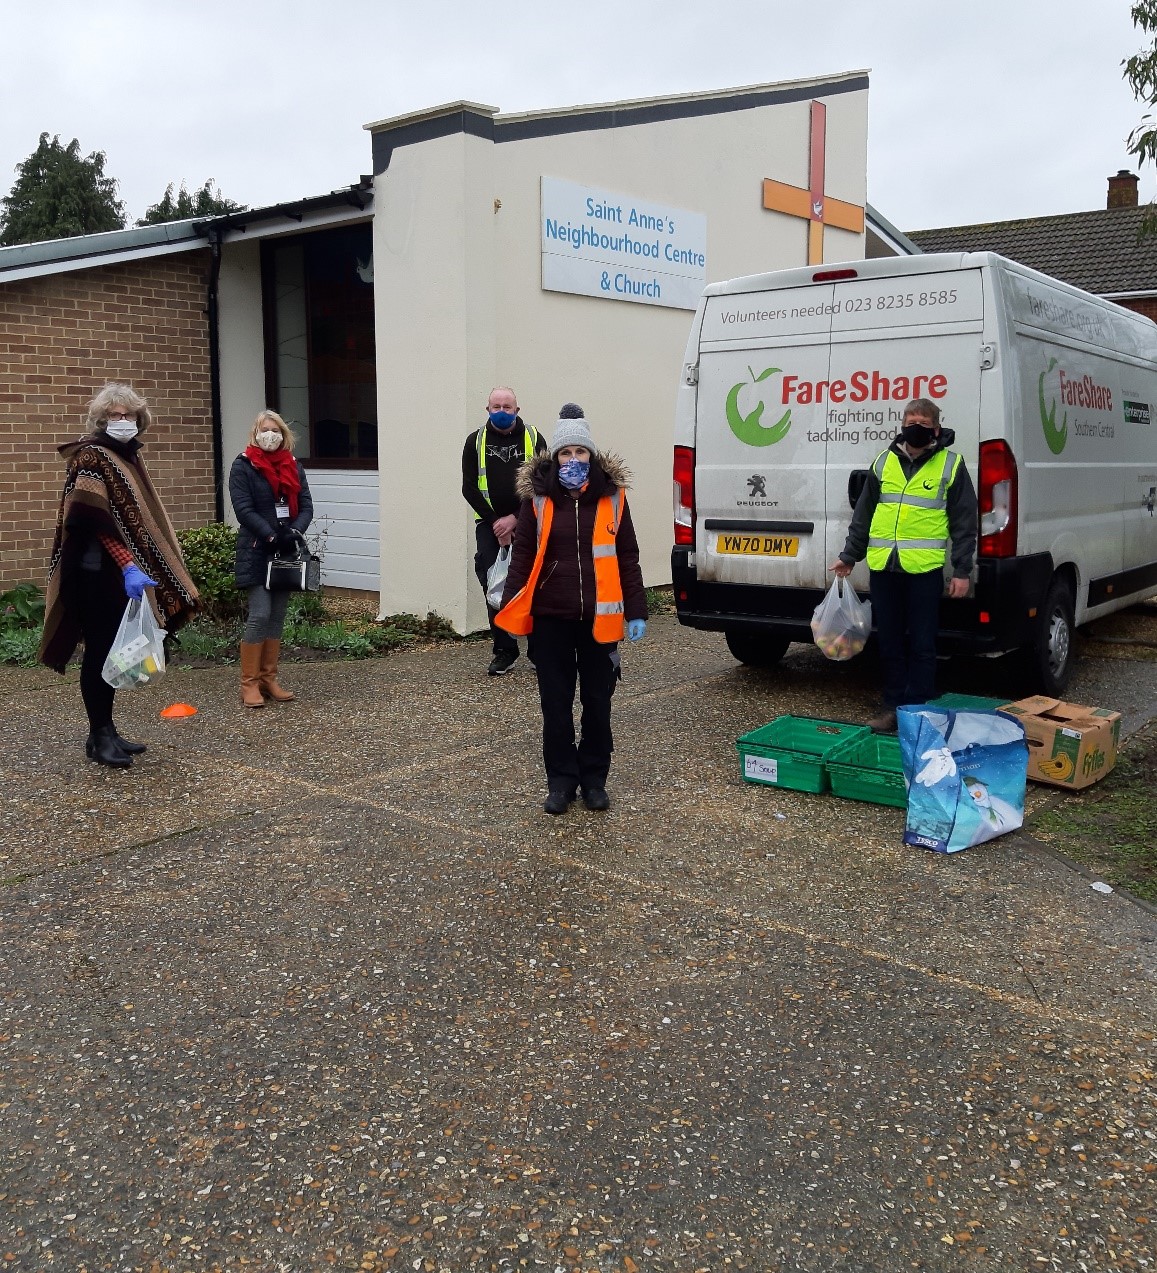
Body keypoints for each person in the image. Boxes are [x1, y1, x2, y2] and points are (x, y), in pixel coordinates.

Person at [39, 383, 199, 767]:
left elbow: (139, 520)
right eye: (114, 415)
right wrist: (128, 564)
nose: (123, 421)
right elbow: (91, 521)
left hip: (121, 577)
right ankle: (98, 735)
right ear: (101, 419)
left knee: (115, 653)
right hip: (95, 575)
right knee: (99, 654)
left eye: (128, 415)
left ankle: (107, 731)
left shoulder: (127, 457)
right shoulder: (91, 456)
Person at [497, 404, 647, 814]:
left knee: (598, 705)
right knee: (556, 707)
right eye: (566, 453)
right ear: (555, 457)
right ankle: (561, 782)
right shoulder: (539, 500)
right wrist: (512, 611)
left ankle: (595, 780)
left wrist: (636, 609)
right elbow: (523, 555)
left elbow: (627, 556)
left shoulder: (613, 499)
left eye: (581, 453)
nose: (574, 461)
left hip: (601, 622)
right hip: (551, 621)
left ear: (592, 457)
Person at [829, 397, 978, 732]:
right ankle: (893, 705)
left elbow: (964, 522)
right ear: (902, 426)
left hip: (924, 570)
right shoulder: (884, 462)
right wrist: (850, 555)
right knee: (890, 641)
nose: (915, 429)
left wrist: (962, 571)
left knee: (923, 644)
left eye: (923, 425)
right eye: (910, 423)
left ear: (936, 429)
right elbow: (863, 514)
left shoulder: (951, 465)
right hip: (885, 568)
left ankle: (917, 710)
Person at [228, 409, 314, 707]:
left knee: (277, 616)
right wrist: (269, 534)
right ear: (255, 433)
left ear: (284, 435)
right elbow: (244, 509)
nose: (271, 435)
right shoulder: (243, 466)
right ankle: (248, 683)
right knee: (261, 613)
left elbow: (305, 506)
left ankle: (268, 678)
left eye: (276, 430)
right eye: (265, 429)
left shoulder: (293, 466)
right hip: (256, 548)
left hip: (285, 549)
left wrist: (294, 531)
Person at [461, 385, 547, 676]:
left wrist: (515, 519)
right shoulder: (475, 441)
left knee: (533, 583)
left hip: (529, 522)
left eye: (506, 407)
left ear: (517, 410)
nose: (501, 412)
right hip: (489, 526)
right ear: (487, 410)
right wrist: (497, 522)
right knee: (494, 586)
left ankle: (539, 651)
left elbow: (543, 485)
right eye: (495, 407)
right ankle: (504, 651)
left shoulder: (534, 438)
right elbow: (469, 488)